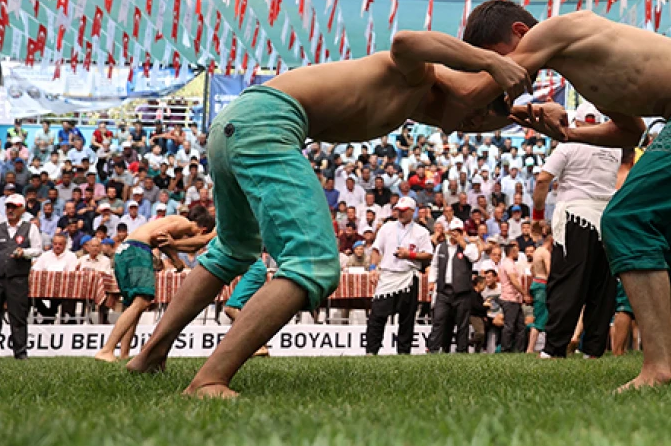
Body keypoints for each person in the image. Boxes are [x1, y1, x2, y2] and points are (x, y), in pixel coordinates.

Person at [127, 34, 531, 396]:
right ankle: (209, 380)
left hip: (235, 124)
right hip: (267, 125)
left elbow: (468, 114)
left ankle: (148, 357)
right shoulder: (418, 75)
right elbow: (407, 41)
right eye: (476, 112)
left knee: (233, 249)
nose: (472, 124)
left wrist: (526, 118)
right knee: (314, 263)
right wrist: (491, 62)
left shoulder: (413, 103)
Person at [459, 2, 671, 388]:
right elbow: (630, 132)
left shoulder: (556, 28)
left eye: (497, 59)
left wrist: (429, 69)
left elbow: (479, 91)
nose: (502, 71)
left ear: (521, 33)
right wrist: (569, 133)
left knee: (624, 217)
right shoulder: (584, 72)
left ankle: (660, 369)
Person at [530, 102, 621, 359]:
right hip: (606, 219)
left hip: (576, 217)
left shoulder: (568, 146)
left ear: (577, 123)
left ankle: (554, 348)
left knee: (567, 283)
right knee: (602, 286)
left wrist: (537, 216)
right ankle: (593, 349)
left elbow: (542, 180)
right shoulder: (612, 148)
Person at [95, 207, 216, 362]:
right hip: (137, 250)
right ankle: (107, 350)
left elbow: (163, 239)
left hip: (125, 251)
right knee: (142, 301)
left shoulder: (173, 220)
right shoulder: (184, 223)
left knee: (135, 305)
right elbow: (158, 236)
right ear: (203, 230)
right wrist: (176, 259)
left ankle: (124, 354)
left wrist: (173, 257)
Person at [0, 194, 43, 360]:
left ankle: (20, 352)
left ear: (22, 209)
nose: (10, 210)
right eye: (8, 206)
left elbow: (38, 249)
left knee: (18, 316)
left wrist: (24, 253)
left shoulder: (30, 228)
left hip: (17, 278)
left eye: (14, 207)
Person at [366, 197, 434, 355]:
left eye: (404, 211)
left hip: (408, 275)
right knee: (377, 315)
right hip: (388, 274)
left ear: (412, 211)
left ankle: (403, 352)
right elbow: (377, 250)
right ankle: (371, 350)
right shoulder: (387, 228)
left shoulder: (421, 232)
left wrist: (409, 254)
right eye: (398, 210)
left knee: (407, 318)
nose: (401, 213)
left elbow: (429, 254)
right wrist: (373, 268)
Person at [427, 218, 479, 353]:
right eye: (453, 231)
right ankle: (434, 348)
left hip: (462, 292)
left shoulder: (469, 247)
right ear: (448, 232)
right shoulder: (441, 247)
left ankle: (462, 351)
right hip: (444, 291)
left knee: (462, 324)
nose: (455, 234)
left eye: (458, 231)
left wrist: (463, 242)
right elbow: (435, 266)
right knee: (439, 320)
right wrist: (432, 281)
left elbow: (474, 257)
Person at [223, 256, 271, 359]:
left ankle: (260, 345)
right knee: (246, 312)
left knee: (230, 308)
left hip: (253, 271)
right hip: (253, 270)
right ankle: (263, 347)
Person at [32, 234, 80, 323]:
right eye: (55, 244)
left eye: (60, 244)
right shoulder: (45, 255)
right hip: (45, 288)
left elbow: (71, 273)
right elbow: (35, 270)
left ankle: (53, 315)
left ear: (65, 245)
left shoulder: (71, 256)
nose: (57, 246)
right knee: (31, 294)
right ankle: (48, 313)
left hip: (64, 289)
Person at [497, 242, 528, 352]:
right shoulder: (508, 264)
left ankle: (519, 350)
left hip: (515, 299)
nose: (518, 254)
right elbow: (513, 281)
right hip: (509, 299)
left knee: (520, 327)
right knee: (509, 326)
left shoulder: (509, 263)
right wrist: (525, 293)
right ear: (512, 252)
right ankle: (505, 349)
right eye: (517, 251)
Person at [525, 231, 552, 354]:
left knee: (541, 316)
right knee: (540, 318)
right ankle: (530, 349)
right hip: (542, 285)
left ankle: (533, 348)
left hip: (536, 283)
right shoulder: (545, 253)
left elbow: (531, 269)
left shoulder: (537, 251)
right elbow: (549, 271)